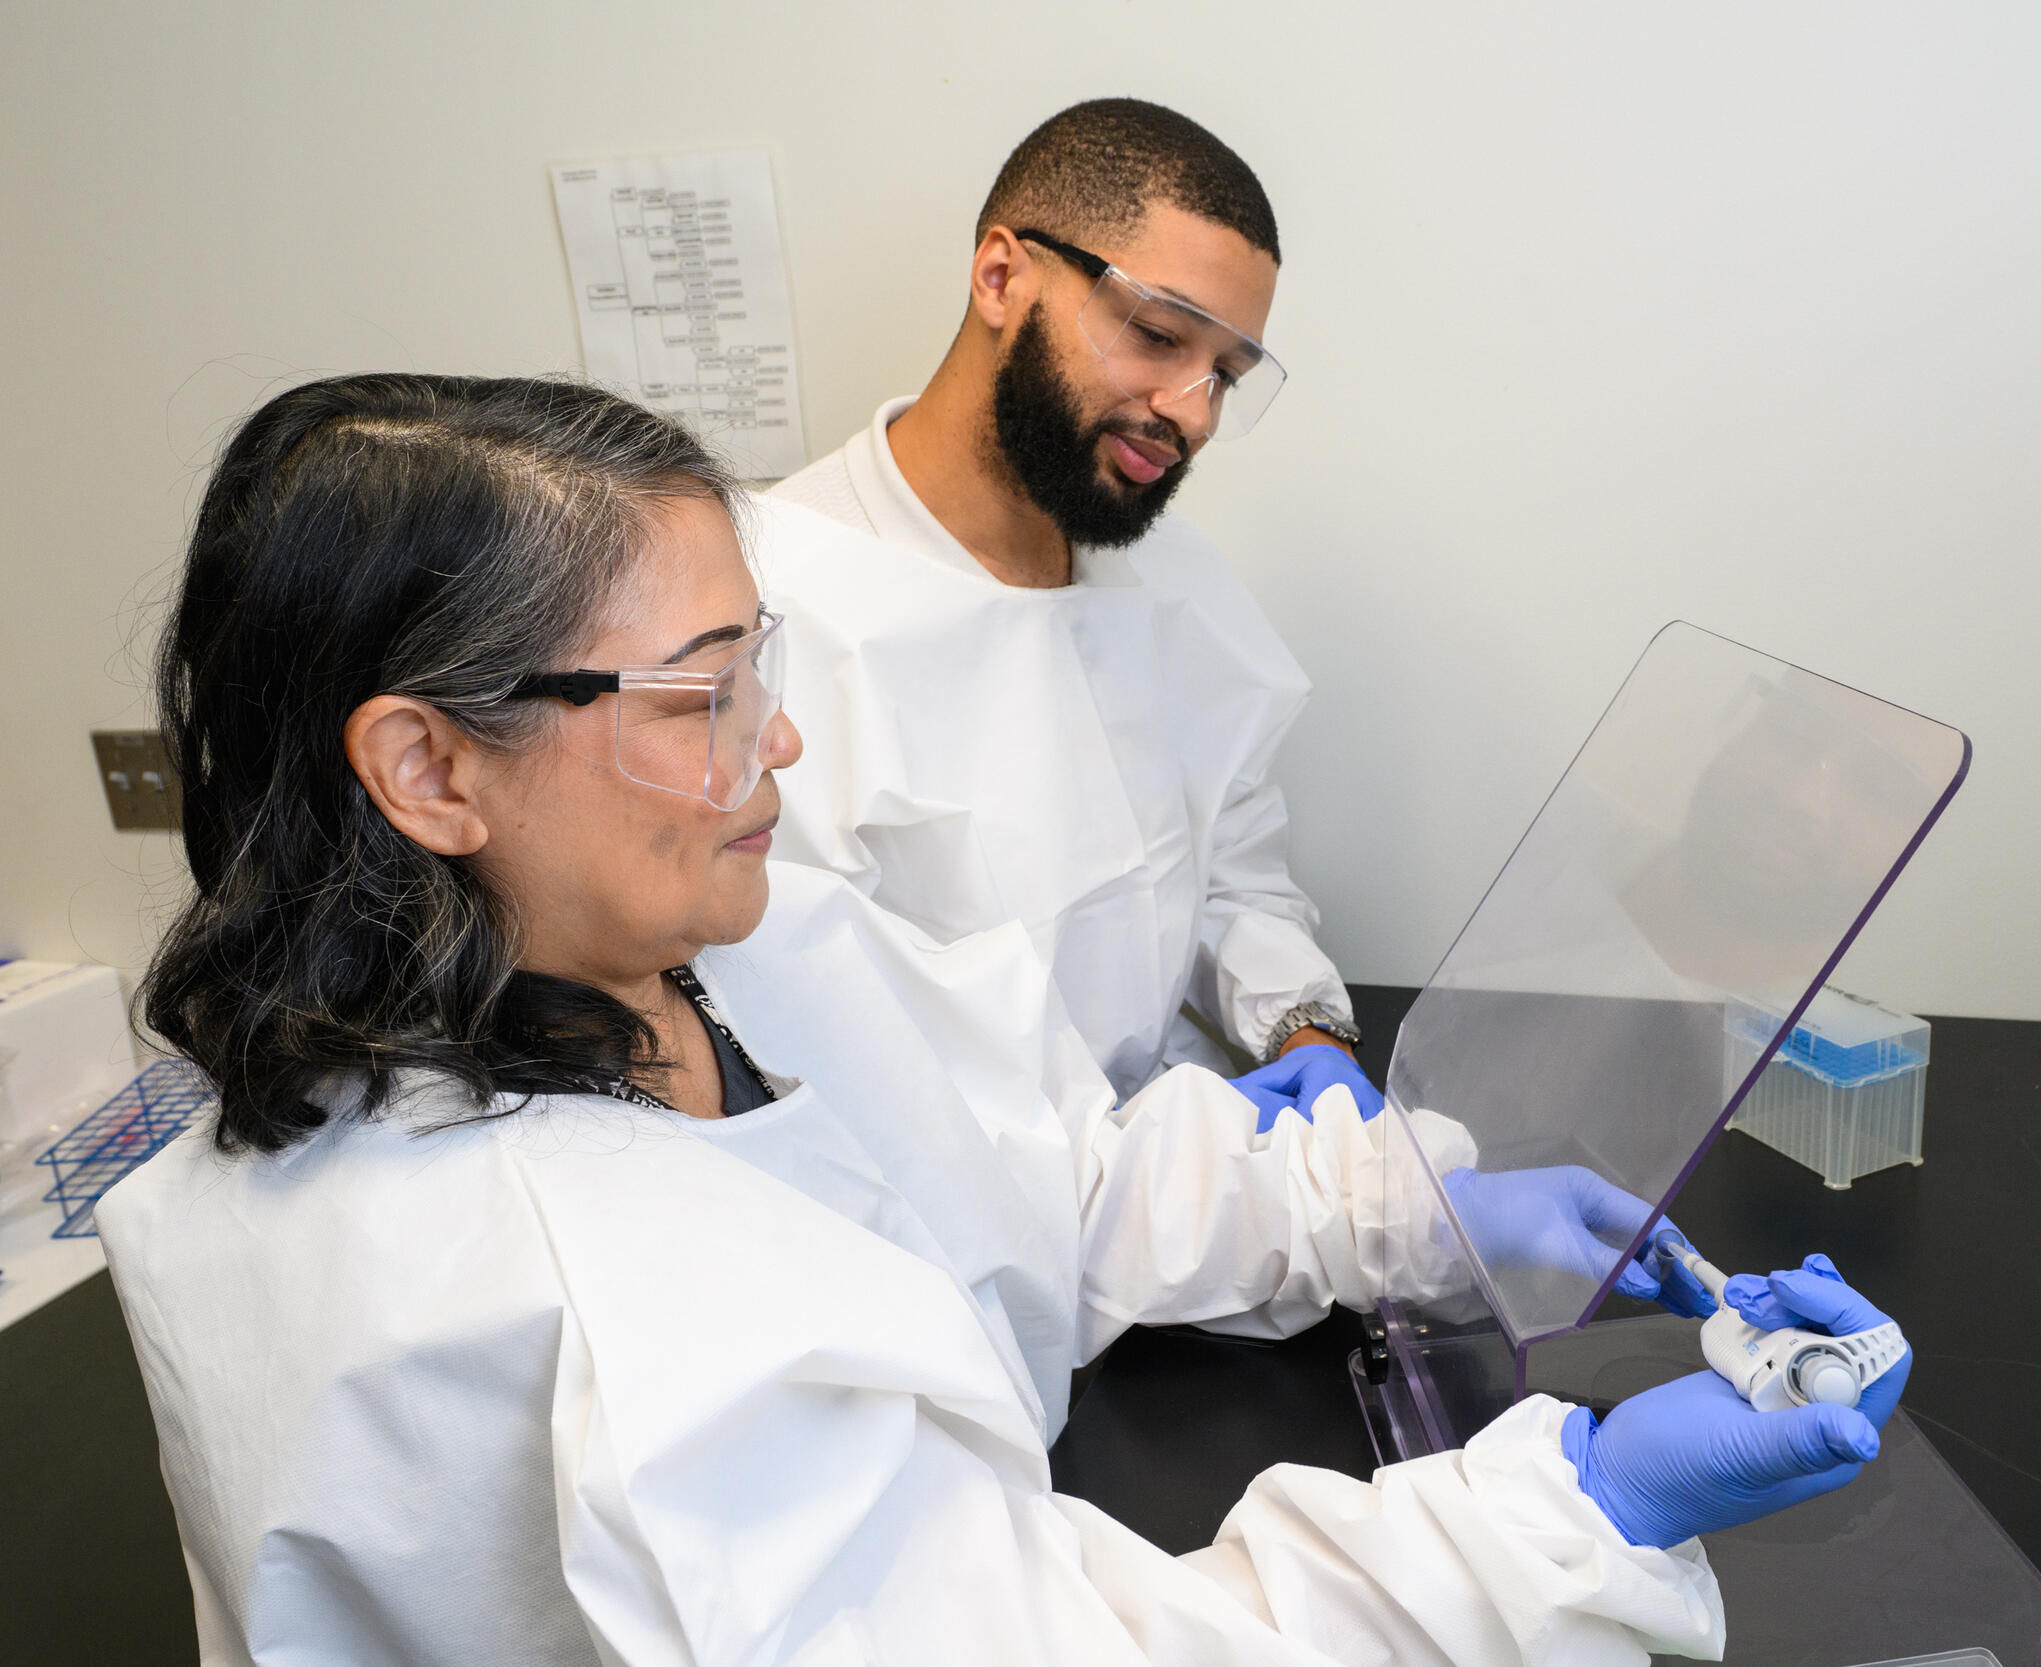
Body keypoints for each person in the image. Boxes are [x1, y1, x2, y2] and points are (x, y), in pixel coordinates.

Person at [102, 373, 1905, 1664]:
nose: (778, 748)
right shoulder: (585, 1315)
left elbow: (1038, 1167)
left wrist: (1404, 1199)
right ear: (427, 765)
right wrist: (1579, 1511)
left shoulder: (734, 946)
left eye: (766, 672)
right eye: (703, 697)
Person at [753, 98, 1374, 1108]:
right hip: (977, 1226)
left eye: (1225, 374)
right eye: (1159, 334)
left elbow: (1233, 865)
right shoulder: (771, 616)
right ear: (1002, 276)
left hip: (1199, 1163)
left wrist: (1304, 1027)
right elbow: (856, 1071)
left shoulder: (1173, 578)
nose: (1191, 413)